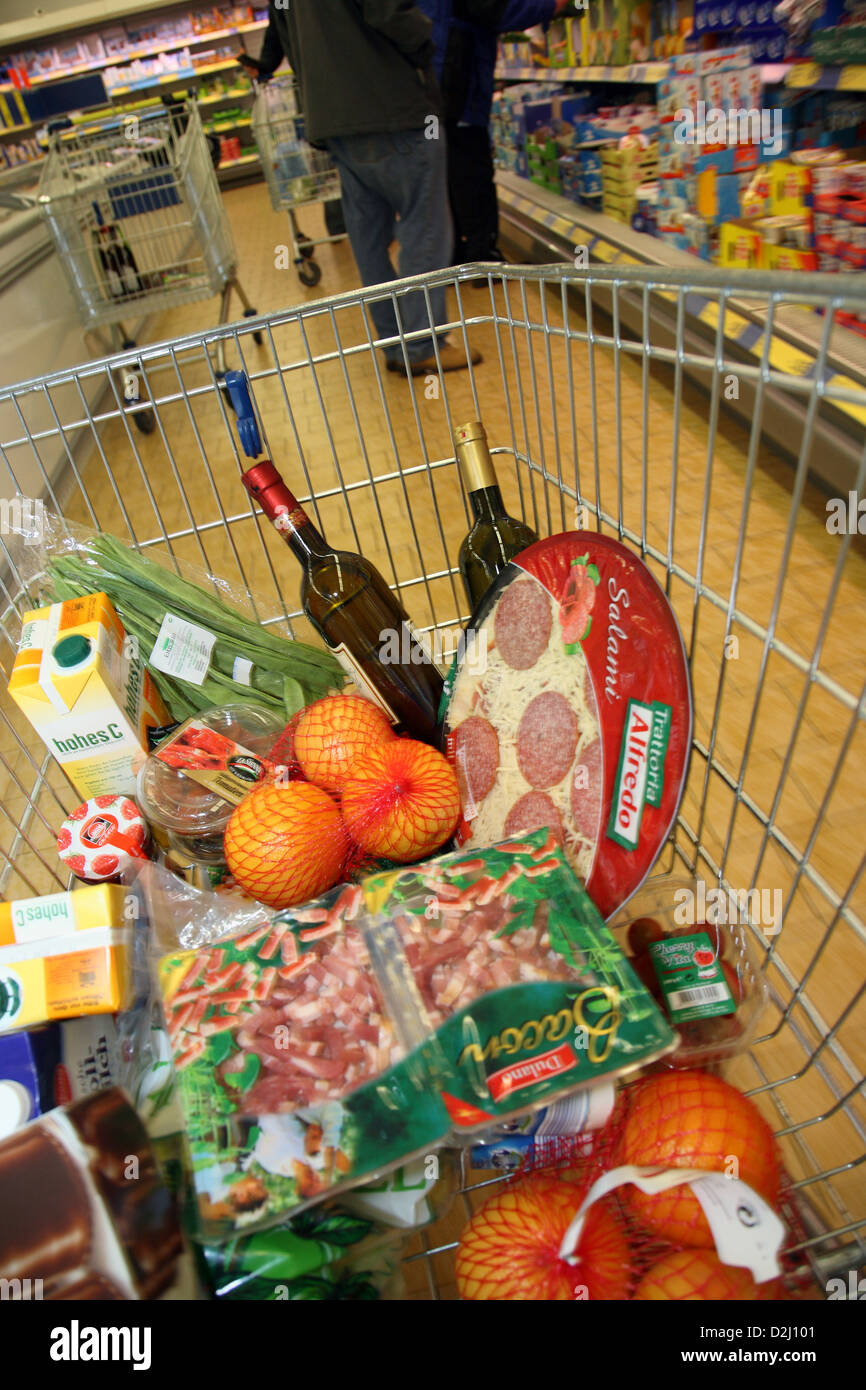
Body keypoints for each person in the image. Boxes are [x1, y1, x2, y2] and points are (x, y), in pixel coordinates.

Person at [239, 1, 481, 378]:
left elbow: (281, 22)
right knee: (424, 224)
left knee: (367, 237)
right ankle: (421, 345)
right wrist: (425, 44)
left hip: (334, 117)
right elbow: (389, 11)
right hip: (389, 101)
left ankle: (393, 342)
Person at [417, 0, 568, 264]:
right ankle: (483, 257)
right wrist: (550, 6)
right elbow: (498, 9)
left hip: (436, 76)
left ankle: (454, 254)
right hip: (457, 77)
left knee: (446, 168)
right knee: (472, 169)